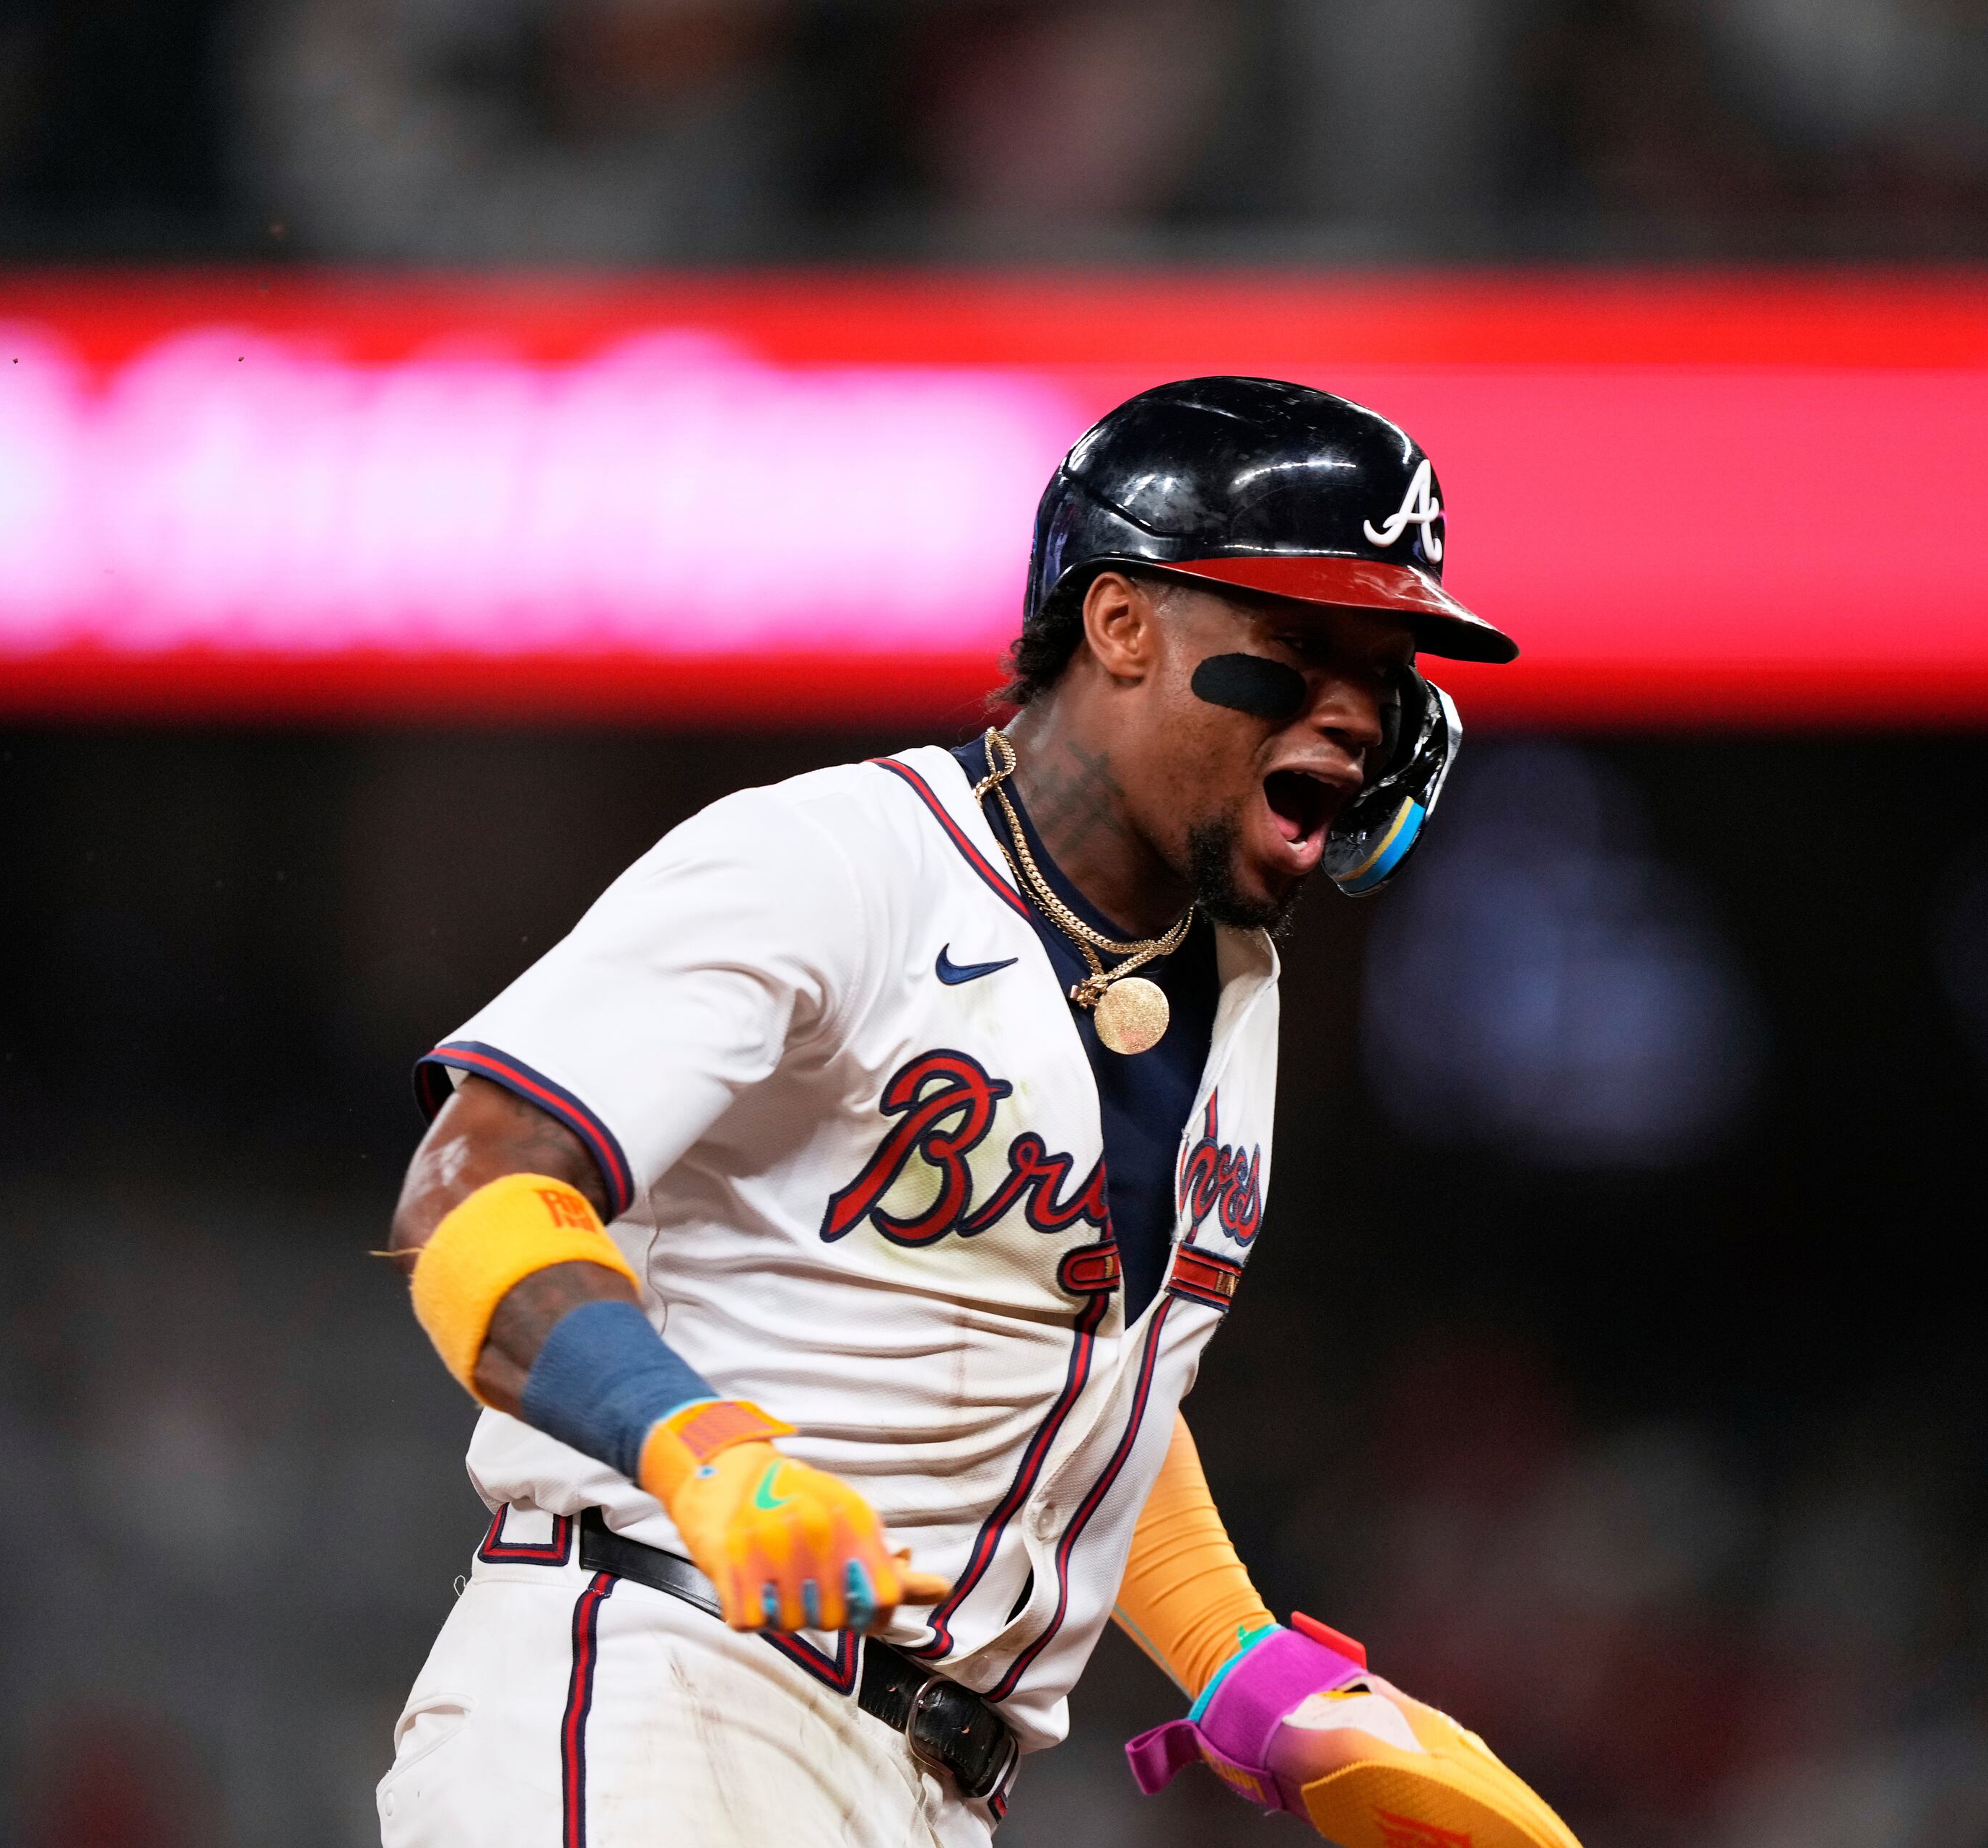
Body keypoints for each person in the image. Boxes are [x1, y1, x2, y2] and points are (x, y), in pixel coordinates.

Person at [375, 375, 1582, 1848]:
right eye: (1299, 648)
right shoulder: (838, 858)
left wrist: (1244, 1663)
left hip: (933, 1782)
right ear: (1121, 624)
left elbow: (1077, 1386)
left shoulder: (1240, 989)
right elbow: (471, 1184)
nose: (1356, 710)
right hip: (661, 1675)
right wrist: (695, 1443)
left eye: (1385, 668)